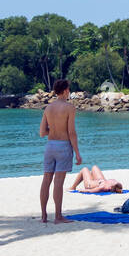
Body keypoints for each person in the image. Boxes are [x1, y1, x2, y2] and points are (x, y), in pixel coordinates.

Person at [38, 78, 81, 223]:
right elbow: (71, 133)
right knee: (58, 183)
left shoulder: (48, 108)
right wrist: (77, 153)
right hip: (63, 146)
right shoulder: (70, 108)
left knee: (46, 180)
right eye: (69, 89)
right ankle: (57, 216)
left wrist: (53, 129)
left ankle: (44, 215)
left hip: (50, 146)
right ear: (65, 90)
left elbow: (42, 132)